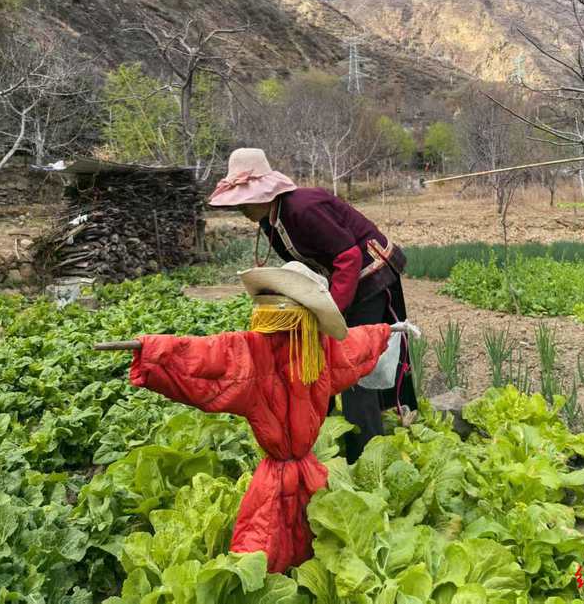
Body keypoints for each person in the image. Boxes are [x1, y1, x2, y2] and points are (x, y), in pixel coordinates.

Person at [96, 262, 417, 573]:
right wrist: (155, 351)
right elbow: (202, 358)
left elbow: (356, 345)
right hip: (281, 476)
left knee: (297, 542)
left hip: (303, 471)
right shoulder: (256, 354)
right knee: (265, 552)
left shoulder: (320, 351)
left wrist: (386, 330)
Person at [208, 147, 417, 463]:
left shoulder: (302, 210)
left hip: (371, 273)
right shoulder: (271, 220)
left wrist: (331, 309)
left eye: (244, 199)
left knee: (354, 362)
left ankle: (366, 457)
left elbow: (348, 256)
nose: (240, 207)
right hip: (344, 279)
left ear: (265, 193)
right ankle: (326, 434)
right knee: (322, 355)